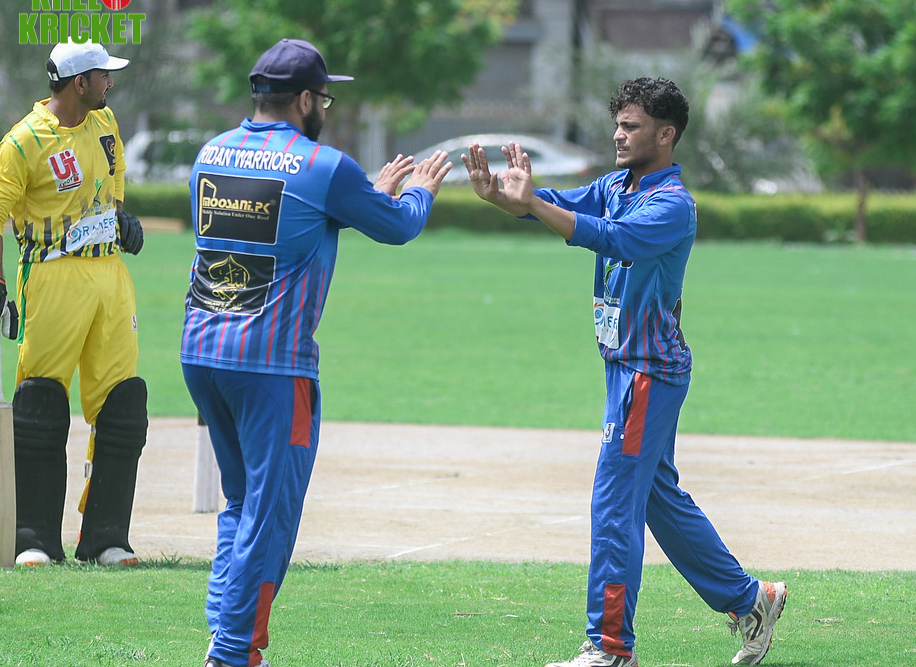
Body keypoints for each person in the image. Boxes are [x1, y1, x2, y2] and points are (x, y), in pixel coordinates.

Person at [461, 77, 787, 667]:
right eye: (617, 123)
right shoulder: (616, 185)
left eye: (630, 126)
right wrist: (509, 198)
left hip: (648, 372)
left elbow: (611, 238)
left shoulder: (672, 205)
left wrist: (534, 205)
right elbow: (563, 204)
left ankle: (610, 647)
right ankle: (751, 599)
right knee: (658, 498)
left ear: (665, 135)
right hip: (626, 368)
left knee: (614, 504)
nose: (617, 134)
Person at [180, 38, 451, 667]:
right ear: (304, 99)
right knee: (271, 513)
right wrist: (417, 192)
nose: (325, 109)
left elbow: (283, 221)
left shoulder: (210, 152)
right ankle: (232, 652)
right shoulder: (325, 166)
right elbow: (398, 226)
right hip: (271, 363)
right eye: (324, 99)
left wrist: (364, 194)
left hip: (201, 348)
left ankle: (225, 637)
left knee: (241, 502)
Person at [0, 40, 148, 568]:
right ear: (78, 82)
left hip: (110, 277)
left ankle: (106, 538)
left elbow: (113, 183)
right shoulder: (22, 143)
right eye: (103, 75)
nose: (110, 82)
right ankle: (34, 539)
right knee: (40, 403)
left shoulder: (104, 122)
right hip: (52, 276)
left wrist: (122, 219)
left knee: (123, 404)